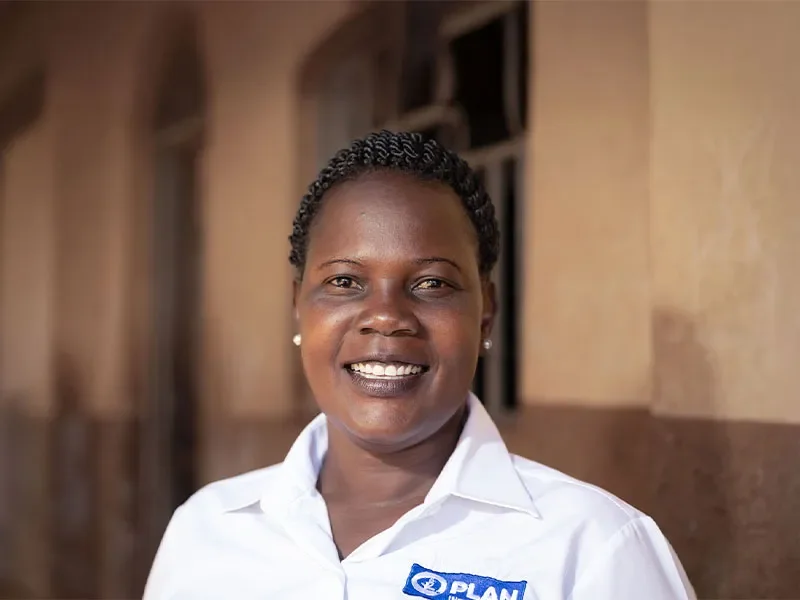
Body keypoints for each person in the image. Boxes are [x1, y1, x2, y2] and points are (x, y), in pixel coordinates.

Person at [143, 130, 696, 600]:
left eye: (432, 284)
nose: (385, 317)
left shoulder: (594, 548)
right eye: (344, 282)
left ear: (485, 313)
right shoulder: (207, 530)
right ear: (298, 307)